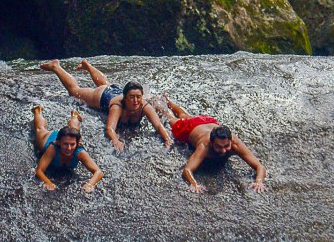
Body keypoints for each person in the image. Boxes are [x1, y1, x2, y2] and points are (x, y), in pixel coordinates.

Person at [40, 59, 172, 151]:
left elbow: (158, 125)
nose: (136, 101)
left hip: (117, 91)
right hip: (104, 95)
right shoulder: (118, 107)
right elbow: (109, 128)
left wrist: (166, 138)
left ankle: (88, 66)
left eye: (138, 97)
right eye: (132, 98)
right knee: (75, 91)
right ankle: (55, 66)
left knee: (107, 83)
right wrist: (116, 140)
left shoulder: (144, 106)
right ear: (126, 99)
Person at [159, 97, 266, 193]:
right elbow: (187, 170)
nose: (224, 150)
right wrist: (194, 184)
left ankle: (168, 100)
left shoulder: (235, 142)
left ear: (230, 141)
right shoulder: (204, 146)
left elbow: (260, 167)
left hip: (207, 122)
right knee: (169, 118)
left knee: (185, 116)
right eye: (219, 147)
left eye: (226, 146)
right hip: (189, 128)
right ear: (211, 143)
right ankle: (160, 102)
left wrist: (259, 181)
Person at [32, 105, 103, 192]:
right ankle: (37, 110)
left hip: (67, 137)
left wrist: (90, 184)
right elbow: (39, 170)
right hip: (48, 138)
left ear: (77, 143)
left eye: (72, 145)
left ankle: (75, 115)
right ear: (59, 142)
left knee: (74, 130)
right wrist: (48, 182)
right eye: (65, 144)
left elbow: (98, 172)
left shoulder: (79, 152)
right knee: (40, 129)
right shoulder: (53, 148)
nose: (69, 148)